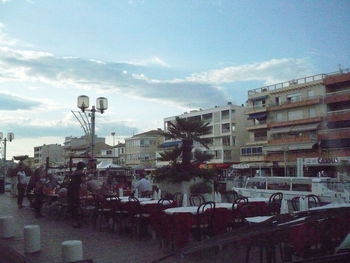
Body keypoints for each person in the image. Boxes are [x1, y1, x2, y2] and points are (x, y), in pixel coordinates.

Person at [67, 161, 86, 228]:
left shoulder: (73, 173)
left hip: (70, 190)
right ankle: (77, 222)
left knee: (73, 206)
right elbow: (83, 180)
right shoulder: (81, 173)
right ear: (82, 167)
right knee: (77, 206)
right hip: (75, 191)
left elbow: (69, 180)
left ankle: (74, 222)